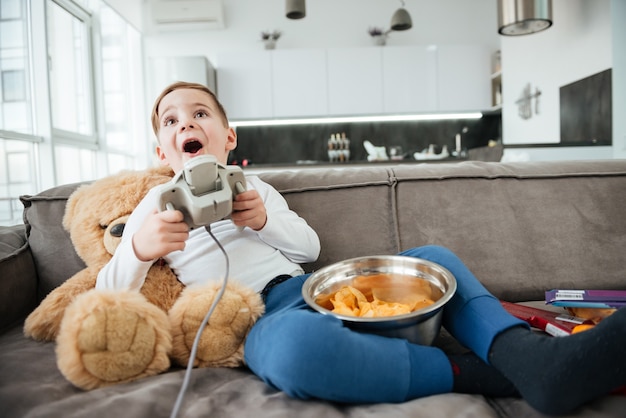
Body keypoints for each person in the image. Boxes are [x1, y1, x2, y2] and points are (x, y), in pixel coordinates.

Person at [97, 81, 626, 416]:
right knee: (296, 354)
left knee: (434, 260)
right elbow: (106, 293)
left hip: (308, 290)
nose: (186, 122)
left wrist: (263, 221)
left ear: (229, 138)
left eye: (200, 114)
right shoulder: (152, 205)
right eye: (171, 120)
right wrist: (138, 251)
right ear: (164, 152)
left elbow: (309, 248)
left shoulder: (254, 190)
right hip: (258, 320)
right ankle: (500, 375)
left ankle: (531, 360)